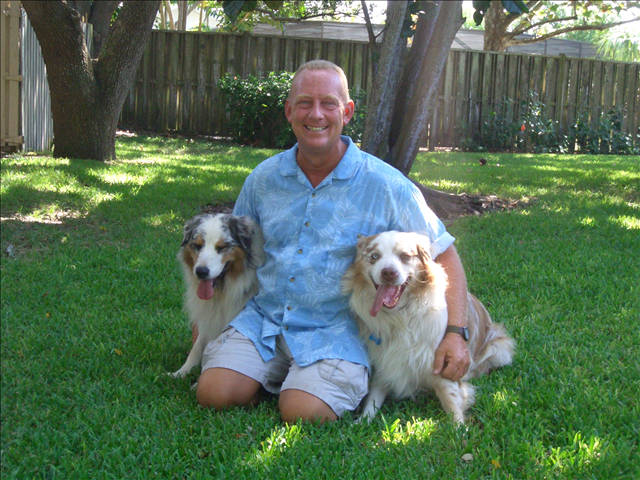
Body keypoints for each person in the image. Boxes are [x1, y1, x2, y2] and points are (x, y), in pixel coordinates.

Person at [195, 60, 470, 422]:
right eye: (305, 103)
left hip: (337, 332)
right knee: (214, 394)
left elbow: (444, 254)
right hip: (265, 320)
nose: (316, 114)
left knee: (303, 412)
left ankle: (300, 384)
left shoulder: (387, 185)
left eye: (328, 103)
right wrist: (205, 322)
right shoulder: (263, 180)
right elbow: (233, 253)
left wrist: (455, 334)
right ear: (289, 111)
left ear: (347, 112)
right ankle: (273, 372)